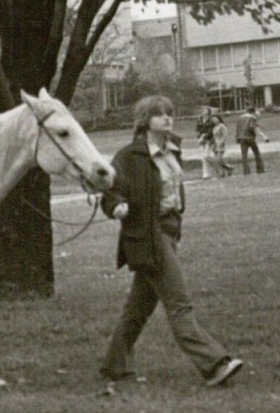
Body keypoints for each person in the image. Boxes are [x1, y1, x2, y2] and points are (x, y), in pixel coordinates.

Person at [98, 95, 243, 389]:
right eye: (159, 114)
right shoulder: (129, 156)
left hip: (169, 230)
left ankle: (115, 364)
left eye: (170, 113)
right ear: (144, 120)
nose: (167, 118)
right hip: (148, 235)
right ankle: (214, 364)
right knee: (179, 303)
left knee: (138, 308)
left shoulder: (172, 149)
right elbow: (112, 192)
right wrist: (117, 206)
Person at [234, 106, 269, 175]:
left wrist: (237, 138)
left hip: (241, 138)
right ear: (253, 112)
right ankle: (260, 170)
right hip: (250, 138)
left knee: (244, 156)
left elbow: (237, 128)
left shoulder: (240, 118)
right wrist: (258, 135)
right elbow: (251, 127)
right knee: (257, 154)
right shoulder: (252, 118)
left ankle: (246, 172)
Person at [195, 107, 217, 179]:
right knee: (203, 158)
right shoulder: (200, 119)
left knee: (206, 156)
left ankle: (219, 165)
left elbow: (211, 131)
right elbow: (197, 129)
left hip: (209, 139)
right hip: (202, 139)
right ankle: (205, 174)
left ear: (209, 112)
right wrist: (199, 136)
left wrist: (204, 136)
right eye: (204, 111)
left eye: (206, 111)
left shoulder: (211, 120)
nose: (205, 112)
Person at [212, 113, 234, 178]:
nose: (214, 121)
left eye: (215, 119)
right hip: (215, 144)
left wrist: (221, 142)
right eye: (213, 120)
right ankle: (225, 170)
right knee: (216, 160)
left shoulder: (222, 126)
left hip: (220, 144)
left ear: (219, 119)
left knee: (218, 159)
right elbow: (214, 137)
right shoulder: (214, 127)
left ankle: (227, 169)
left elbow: (225, 135)